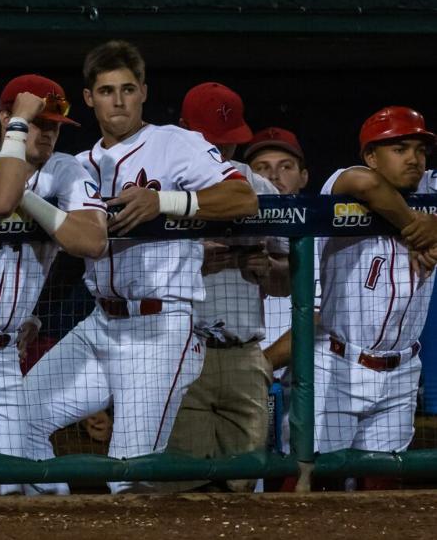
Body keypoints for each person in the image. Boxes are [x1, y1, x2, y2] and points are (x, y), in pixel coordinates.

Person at [21, 40, 259, 494]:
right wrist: (35, 310)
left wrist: (164, 200)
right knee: (20, 419)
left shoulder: (176, 143)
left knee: (126, 477)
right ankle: (51, 530)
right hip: (102, 322)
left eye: (128, 89)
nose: (118, 100)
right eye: (107, 90)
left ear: (144, 92)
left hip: (160, 329)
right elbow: (67, 252)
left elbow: (243, 198)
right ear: (89, 98)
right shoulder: (79, 165)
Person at [0, 74, 107, 494]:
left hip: (4, 357)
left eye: (54, 125)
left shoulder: (65, 169)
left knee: (12, 487)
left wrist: (31, 202)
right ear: (6, 119)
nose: (49, 133)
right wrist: (18, 129)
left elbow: (92, 241)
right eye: (38, 122)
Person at [166, 83, 289, 492]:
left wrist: (268, 267)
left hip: (243, 355)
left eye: (230, 142)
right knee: (181, 485)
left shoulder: (259, 187)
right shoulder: (164, 182)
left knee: (242, 487)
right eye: (212, 142)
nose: (224, 152)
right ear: (183, 130)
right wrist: (191, 262)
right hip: (183, 351)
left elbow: (290, 278)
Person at [314, 106, 437, 455]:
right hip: (337, 365)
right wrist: (416, 228)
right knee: (316, 480)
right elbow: (364, 183)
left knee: (380, 486)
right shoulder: (344, 183)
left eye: (420, 150)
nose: (414, 159)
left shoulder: (432, 189)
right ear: (371, 155)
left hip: (402, 371)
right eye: (399, 149)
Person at [245, 127, 311, 373]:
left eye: (285, 166)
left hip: (299, 372)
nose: (273, 176)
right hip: (238, 364)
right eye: (261, 168)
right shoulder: (224, 235)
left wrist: (259, 366)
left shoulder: (322, 239)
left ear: (303, 176)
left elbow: (317, 319)